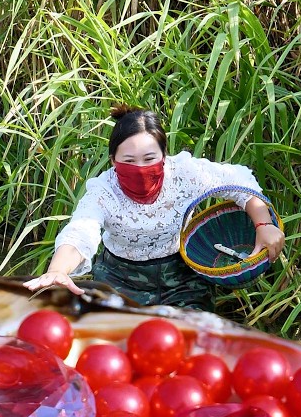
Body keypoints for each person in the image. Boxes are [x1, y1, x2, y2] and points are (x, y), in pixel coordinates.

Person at [23, 105, 284, 309]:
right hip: (119, 279)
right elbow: (81, 231)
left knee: (190, 341)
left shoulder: (184, 173)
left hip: (183, 279)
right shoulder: (103, 191)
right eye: (129, 160)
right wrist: (57, 270)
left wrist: (264, 224)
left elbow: (239, 183)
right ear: (113, 160)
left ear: (164, 155)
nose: (140, 168)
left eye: (149, 158)